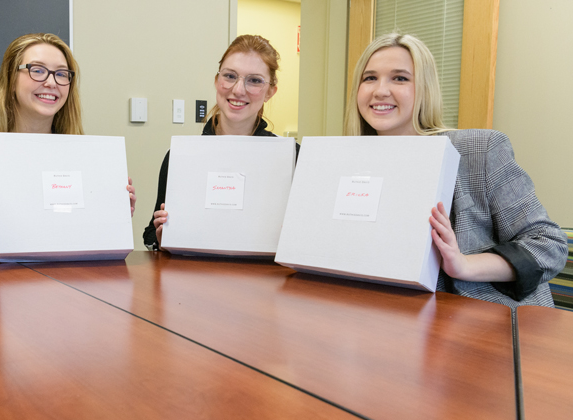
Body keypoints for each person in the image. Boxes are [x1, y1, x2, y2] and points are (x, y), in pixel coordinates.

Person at [344, 33, 567, 307]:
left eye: (400, 78)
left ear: (425, 88)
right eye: (370, 78)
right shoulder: (347, 164)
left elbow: (549, 245)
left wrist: (464, 264)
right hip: (379, 311)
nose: (380, 90)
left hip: (474, 323)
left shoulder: (479, 149)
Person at [0, 33, 136, 251]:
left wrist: (112, 216)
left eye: (61, 74)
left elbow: (83, 240)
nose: (51, 82)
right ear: (10, 79)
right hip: (0, 283)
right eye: (37, 70)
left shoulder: (85, 157)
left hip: (66, 280)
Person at [143, 34, 298, 251]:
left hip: (265, 280)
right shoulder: (181, 156)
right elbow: (150, 234)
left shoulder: (291, 158)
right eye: (230, 76)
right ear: (217, 81)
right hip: (195, 278)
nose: (238, 90)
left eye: (254, 80)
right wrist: (162, 236)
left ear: (270, 91)